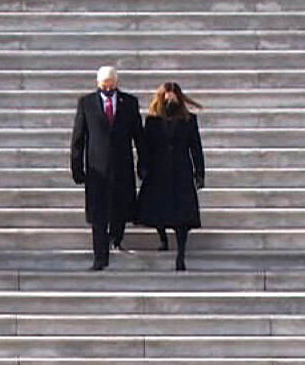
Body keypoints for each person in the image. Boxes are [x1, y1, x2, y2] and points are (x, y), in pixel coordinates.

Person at [70, 66, 142, 270]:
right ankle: (100, 257)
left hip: (122, 167)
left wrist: (143, 162)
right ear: (98, 84)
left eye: (112, 85)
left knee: (120, 208)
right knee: (98, 216)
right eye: (104, 86)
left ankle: (116, 237)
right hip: (97, 169)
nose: (108, 89)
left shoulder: (129, 103)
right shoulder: (87, 104)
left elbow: (139, 135)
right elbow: (78, 138)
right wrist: (76, 166)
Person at [135, 82, 205, 272]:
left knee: (182, 216)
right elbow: (145, 147)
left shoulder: (189, 120)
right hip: (158, 171)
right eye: (167, 96)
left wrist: (199, 173)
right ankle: (163, 239)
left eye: (174, 96)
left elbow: (195, 147)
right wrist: (142, 167)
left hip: (181, 171)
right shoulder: (152, 121)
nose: (170, 100)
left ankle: (181, 254)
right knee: (158, 209)